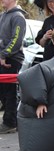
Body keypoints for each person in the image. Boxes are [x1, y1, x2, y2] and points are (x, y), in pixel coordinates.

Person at [0, 0, 26, 134]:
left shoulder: (18, 17)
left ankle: (10, 122)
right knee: (3, 91)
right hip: (2, 58)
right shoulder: (3, 15)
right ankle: (10, 119)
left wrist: (4, 55)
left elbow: (16, 40)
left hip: (12, 59)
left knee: (10, 92)